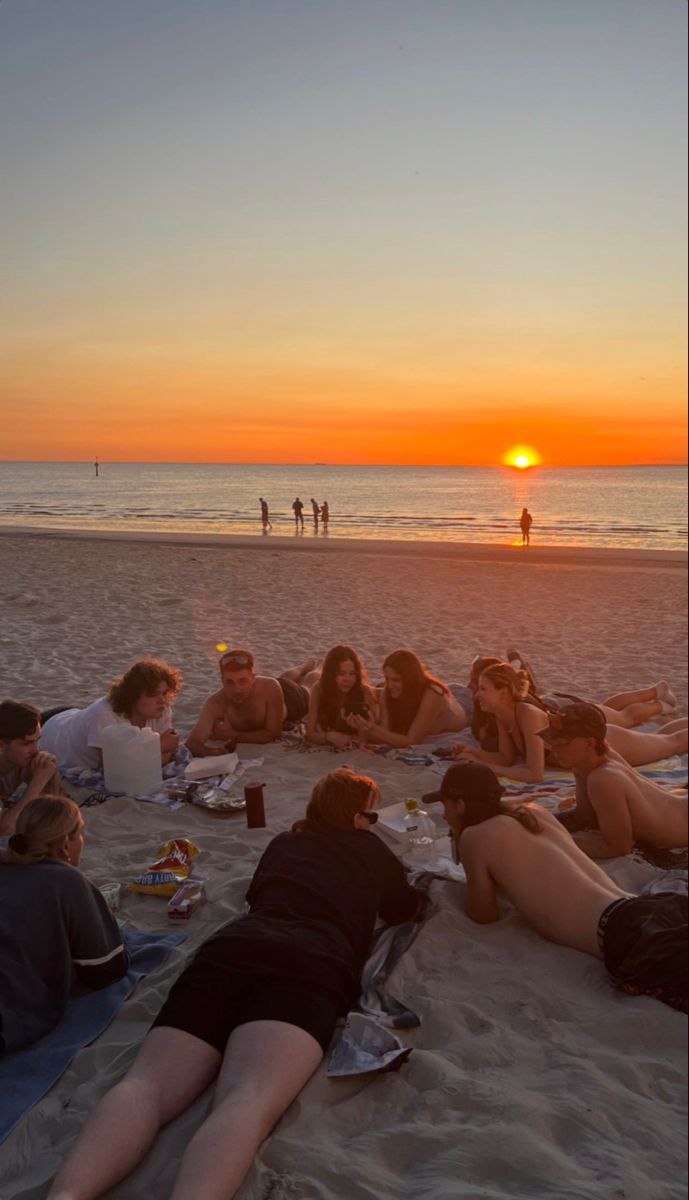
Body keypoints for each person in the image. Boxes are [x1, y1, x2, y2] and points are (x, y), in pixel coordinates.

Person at [48, 768, 425, 1200]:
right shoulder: (368, 848)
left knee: (145, 1085)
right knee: (247, 1100)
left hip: (233, 948)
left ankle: (66, 1195)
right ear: (359, 818)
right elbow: (403, 908)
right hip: (310, 962)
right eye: (372, 817)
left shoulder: (285, 843)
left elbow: (257, 895)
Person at [428, 762, 687, 1013]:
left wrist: (462, 843)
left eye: (445, 805)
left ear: (460, 805)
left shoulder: (475, 837)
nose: (443, 814)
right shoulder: (534, 812)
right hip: (648, 906)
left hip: (627, 935)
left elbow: (484, 915)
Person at [0, 796, 129, 1054]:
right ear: (64, 846)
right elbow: (105, 970)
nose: (83, 841)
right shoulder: (65, 880)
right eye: (80, 833)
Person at [453, 663, 688, 783]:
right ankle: (663, 705)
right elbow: (505, 758)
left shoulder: (528, 715)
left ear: (503, 693)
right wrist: (473, 754)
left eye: (483, 689)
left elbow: (535, 774)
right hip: (586, 740)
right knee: (663, 736)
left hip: (603, 744)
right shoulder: (502, 715)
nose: (477, 694)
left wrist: (486, 768)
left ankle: (659, 701)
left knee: (672, 742)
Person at [538, 703, 688, 858]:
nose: (554, 749)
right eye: (552, 741)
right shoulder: (585, 765)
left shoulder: (603, 778)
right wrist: (541, 823)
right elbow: (585, 816)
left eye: (562, 743)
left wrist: (554, 839)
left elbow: (618, 848)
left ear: (590, 743)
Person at [41, 659, 182, 771]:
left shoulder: (161, 709)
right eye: (154, 694)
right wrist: (157, 747)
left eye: (164, 692)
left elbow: (166, 757)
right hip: (52, 728)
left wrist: (148, 754)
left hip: (75, 716)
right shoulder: (104, 715)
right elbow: (114, 767)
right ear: (133, 696)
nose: (162, 700)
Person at [186, 649, 315, 753]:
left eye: (243, 681)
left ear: (253, 678)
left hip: (290, 700)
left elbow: (273, 733)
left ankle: (315, 666)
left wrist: (233, 735)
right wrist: (215, 753)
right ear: (222, 681)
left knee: (309, 683)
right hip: (274, 690)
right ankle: (304, 666)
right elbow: (192, 743)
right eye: (230, 682)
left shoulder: (270, 686)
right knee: (286, 677)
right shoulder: (215, 704)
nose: (237, 689)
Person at [348, 649, 467, 749]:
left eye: (396, 680)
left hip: (464, 707)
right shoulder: (387, 691)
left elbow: (412, 740)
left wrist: (372, 728)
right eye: (387, 678)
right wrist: (362, 728)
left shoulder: (432, 694)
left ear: (410, 679)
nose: (389, 685)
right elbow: (385, 733)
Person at [0, 701, 64, 835]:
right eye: (27, 743)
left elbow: (54, 811)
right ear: (1, 745)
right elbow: (5, 830)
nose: (36, 750)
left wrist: (50, 775)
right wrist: (39, 780)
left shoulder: (25, 760)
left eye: (37, 740)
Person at [305, 646, 378, 749]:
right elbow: (309, 734)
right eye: (341, 673)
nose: (347, 679)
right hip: (312, 684)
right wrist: (329, 736)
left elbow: (366, 739)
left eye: (352, 673)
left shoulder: (365, 692)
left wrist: (360, 728)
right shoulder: (319, 688)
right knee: (311, 677)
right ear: (331, 674)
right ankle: (307, 666)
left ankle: (317, 667)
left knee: (312, 677)